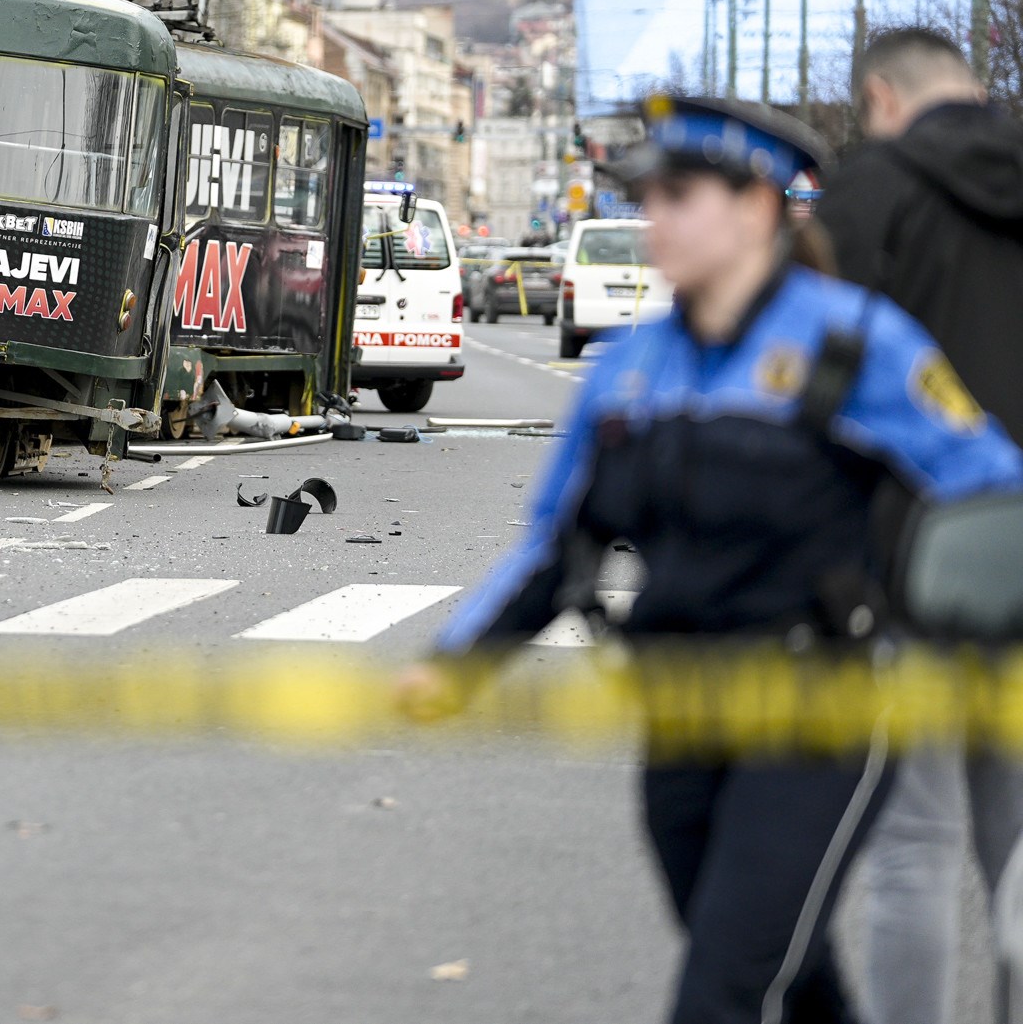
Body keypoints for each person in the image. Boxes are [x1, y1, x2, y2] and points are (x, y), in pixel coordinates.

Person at [396, 95, 1023, 1024]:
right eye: (649, 196)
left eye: (677, 196)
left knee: (723, 990)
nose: (654, 220)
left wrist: (957, 617)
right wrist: (457, 666)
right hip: (685, 710)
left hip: (824, 712)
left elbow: (991, 492)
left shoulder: (856, 345)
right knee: (783, 969)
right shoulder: (632, 366)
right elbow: (556, 542)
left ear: (756, 207)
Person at [816, 26, 1023, 1024]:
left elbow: (816, 374)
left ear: (880, 97)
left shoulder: (872, 186)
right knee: (1016, 848)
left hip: (916, 558)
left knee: (915, 848)